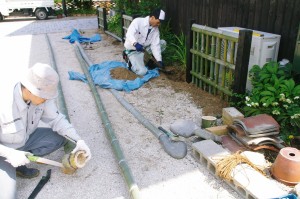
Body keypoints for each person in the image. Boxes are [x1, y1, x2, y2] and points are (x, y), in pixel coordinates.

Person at [0, 63, 91, 199]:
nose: (46, 100)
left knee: (59, 138)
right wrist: (10, 154)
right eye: (44, 96)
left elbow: (58, 120)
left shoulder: (41, 99)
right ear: (30, 90)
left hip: (24, 142)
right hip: (3, 153)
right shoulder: (4, 102)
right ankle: (12, 166)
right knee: (8, 195)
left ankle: (21, 163)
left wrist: (79, 140)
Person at [123, 8, 167, 76]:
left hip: (144, 50)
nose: (159, 25)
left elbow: (155, 45)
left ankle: (147, 61)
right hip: (133, 50)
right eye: (158, 22)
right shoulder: (138, 21)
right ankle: (128, 59)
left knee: (162, 43)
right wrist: (135, 43)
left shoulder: (155, 29)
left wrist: (159, 60)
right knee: (142, 72)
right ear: (152, 17)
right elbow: (129, 34)